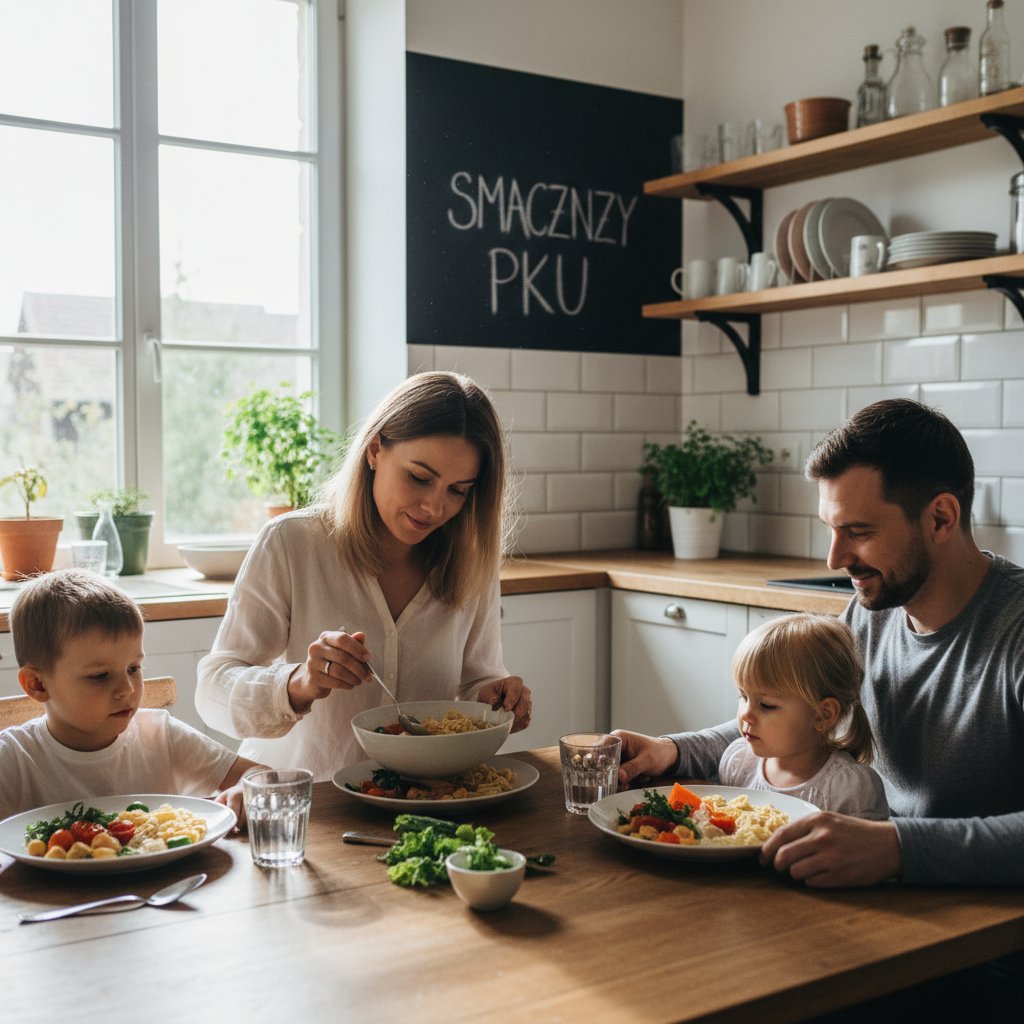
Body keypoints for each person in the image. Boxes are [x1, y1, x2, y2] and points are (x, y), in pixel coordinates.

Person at [614, 398, 1024, 888]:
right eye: (831, 530)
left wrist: (896, 848)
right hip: (879, 890)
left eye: (858, 531)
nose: (834, 558)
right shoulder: (873, 612)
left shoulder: (1014, 631)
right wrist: (671, 752)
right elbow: (792, 713)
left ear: (940, 518)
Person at [196, 371, 532, 781]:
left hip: (423, 799)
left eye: (458, 490)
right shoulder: (292, 543)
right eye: (419, 478)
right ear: (375, 450)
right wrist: (298, 682)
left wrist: (495, 696)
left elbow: (478, 677)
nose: (433, 507)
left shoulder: (471, 561)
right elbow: (212, 690)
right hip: (303, 803)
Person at [0, 569, 265, 824]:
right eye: (100, 676)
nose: (127, 688)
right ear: (37, 684)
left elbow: (262, 776)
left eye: (133, 669)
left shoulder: (160, 735)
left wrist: (246, 789)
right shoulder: (13, 759)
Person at [721, 613, 887, 819]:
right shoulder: (738, 763)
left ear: (823, 715)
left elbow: (866, 849)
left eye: (766, 705)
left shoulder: (849, 789)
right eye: (743, 696)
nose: (745, 715)